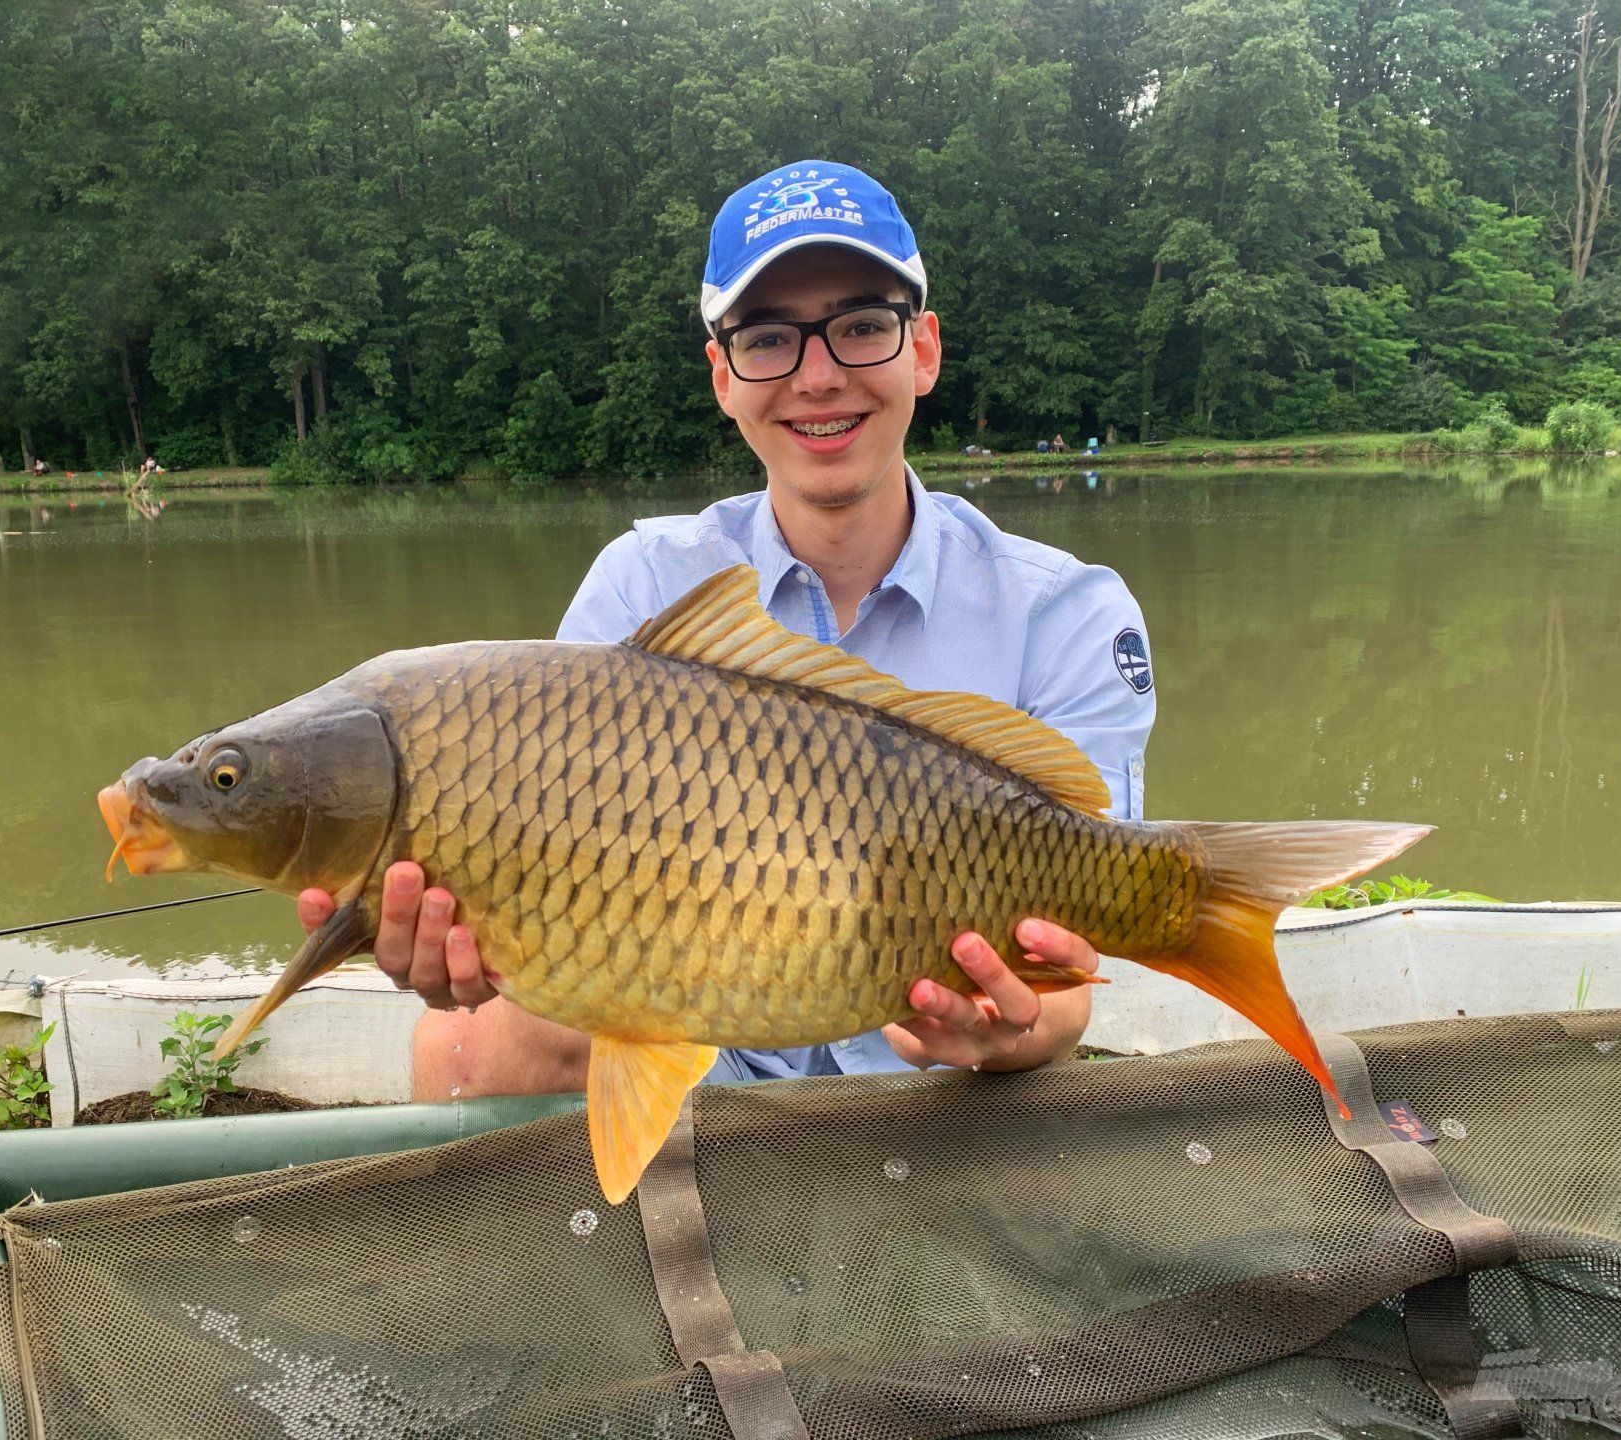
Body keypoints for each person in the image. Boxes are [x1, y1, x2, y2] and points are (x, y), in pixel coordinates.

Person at [297, 159, 1155, 1099]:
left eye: (861, 327)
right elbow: (548, 880)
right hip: (702, 1041)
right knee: (461, 1046)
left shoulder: (1065, 612)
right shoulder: (647, 583)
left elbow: (1073, 976)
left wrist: (1014, 1028)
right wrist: (484, 946)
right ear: (723, 375)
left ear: (924, 350)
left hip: (942, 1081)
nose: (818, 378)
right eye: (769, 338)